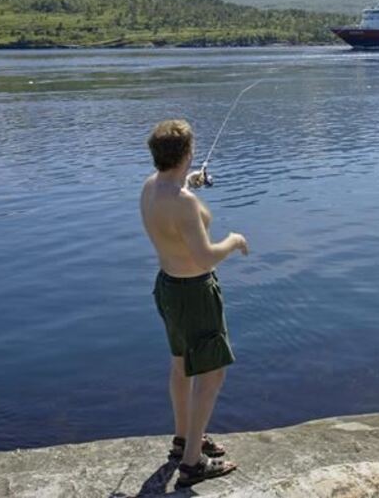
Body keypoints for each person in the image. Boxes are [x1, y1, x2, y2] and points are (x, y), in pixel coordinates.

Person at [140, 119, 248, 488]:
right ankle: (191, 464)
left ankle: (183, 439)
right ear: (186, 153)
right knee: (212, 373)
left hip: (168, 288)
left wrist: (189, 180)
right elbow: (204, 257)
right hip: (194, 291)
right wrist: (233, 241)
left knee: (180, 364)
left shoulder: (151, 187)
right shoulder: (183, 202)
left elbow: (173, 193)